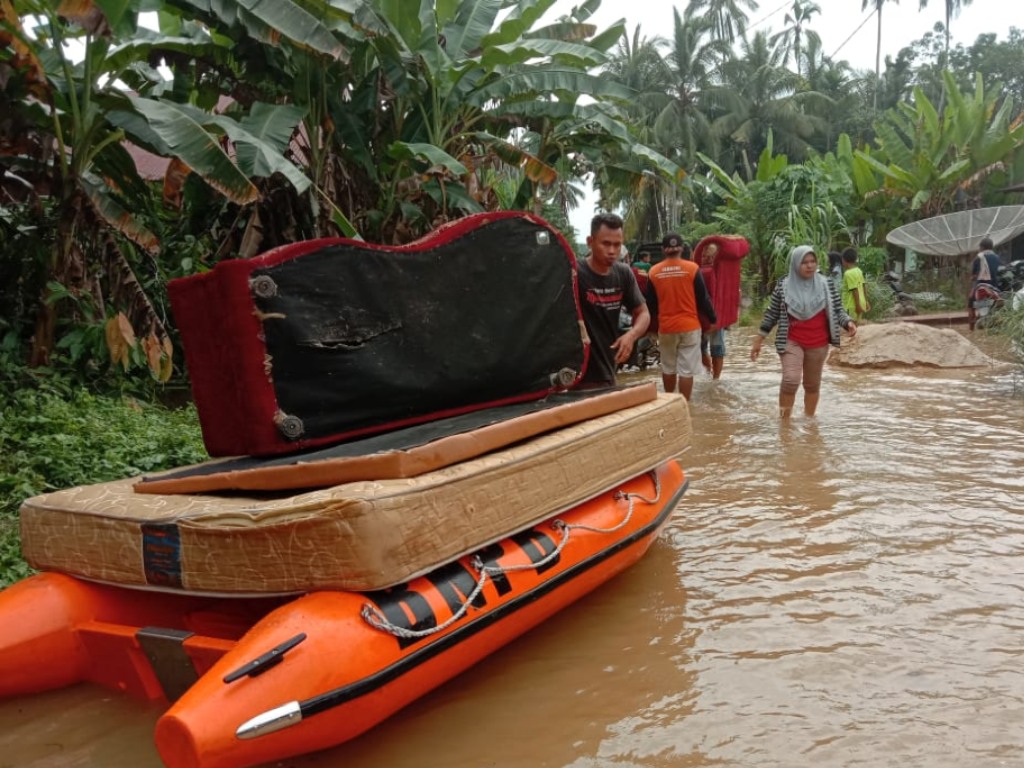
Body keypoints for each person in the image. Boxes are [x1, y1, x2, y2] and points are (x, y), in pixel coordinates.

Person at [750, 245, 857, 418]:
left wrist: (848, 322)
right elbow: (772, 314)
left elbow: (837, 309)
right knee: (791, 380)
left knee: (812, 385)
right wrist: (759, 340)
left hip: (818, 342)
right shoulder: (783, 286)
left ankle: (809, 422)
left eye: (812, 261)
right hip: (791, 340)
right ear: (795, 264)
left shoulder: (826, 283)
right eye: (804, 262)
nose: (809, 266)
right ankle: (784, 424)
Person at [576, 212, 650, 387]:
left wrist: (631, 336)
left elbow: (644, 313)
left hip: (609, 367)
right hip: (577, 372)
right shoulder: (575, 273)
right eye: (606, 244)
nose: (612, 251)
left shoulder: (623, 273)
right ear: (590, 241)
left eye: (617, 245)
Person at [646, 233, 717, 400]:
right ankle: (684, 404)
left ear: (664, 250)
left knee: (668, 367)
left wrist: (651, 328)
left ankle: (670, 401)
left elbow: (651, 305)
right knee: (686, 370)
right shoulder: (692, 269)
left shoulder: (653, 272)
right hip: (689, 327)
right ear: (682, 248)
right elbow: (703, 298)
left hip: (666, 327)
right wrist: (713, 319)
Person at [967, 237, 1002, 331]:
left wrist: (972, 278)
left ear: (982, 247)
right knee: (998, 302)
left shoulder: (979, 257)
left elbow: (974, 275)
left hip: (981, 286)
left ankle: (971, 328)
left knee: (970, 304)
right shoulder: (997, 257)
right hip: (995, 287)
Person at [840, 247, 870, 322]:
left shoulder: (848, 273)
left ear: (844, 260)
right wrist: (866, 302)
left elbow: (854, 290)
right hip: (861, 302)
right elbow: (864, 287)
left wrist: (857, 305)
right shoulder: (858, 270)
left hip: (851, 305)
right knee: (856, 326)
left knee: (850, 326)